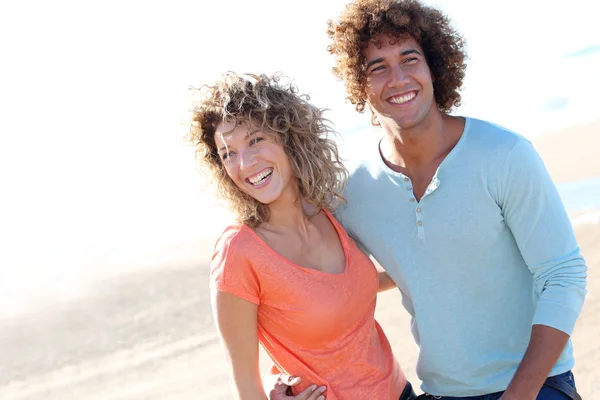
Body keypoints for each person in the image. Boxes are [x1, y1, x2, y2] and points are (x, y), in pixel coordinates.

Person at [271, 0, 588, 399]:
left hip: (536, 386)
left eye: (409, 59)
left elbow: (563, 276)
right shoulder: (354, 193)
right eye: (377, 67)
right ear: (359, 83)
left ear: (434, 66)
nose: (398, 78)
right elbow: (316, 287)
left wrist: (520, 394)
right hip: (440, 392)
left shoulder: (504, 156)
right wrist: (282, 374)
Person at [189, 72, 418, 400]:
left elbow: (338, 291)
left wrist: (423, 261)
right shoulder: (238, 252)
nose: (246, 163)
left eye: (256, 140)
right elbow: (244, 382)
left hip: (401, 391)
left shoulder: (329, 212)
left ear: (288, 137)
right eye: (228, 154)